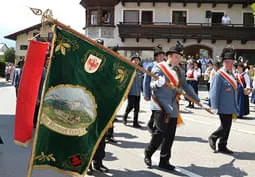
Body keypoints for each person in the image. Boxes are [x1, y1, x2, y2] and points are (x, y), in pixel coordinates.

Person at [144, 41, 203, 170]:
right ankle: (148, 152)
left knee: (170, 135)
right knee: (160, 133)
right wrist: (158, 83)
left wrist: (199, 101)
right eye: (176, 56)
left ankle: (164, 160)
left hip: (173, 106)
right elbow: (152, 85)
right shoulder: (159, 68)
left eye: (179, 57)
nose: (178, 59)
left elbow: (187, 87)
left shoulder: (180, 71)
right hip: (160, 105)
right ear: (169, 56)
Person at [208, 46, 238, 154]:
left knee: (227, 126)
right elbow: (214, 92)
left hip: (231, 105)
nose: (230, 64)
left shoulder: (232, 75)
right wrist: (214, 106)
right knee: (225, 126)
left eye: (232, 62)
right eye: (228, 62)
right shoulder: (219, 75)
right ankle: (213, 137)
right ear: (224, 63)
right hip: (222, 106)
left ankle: (222, 145)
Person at [143, 45, 165, 132]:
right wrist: (146, 94)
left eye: (163, 55)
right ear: (156, 57)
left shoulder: (166, 65)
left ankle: (153, 125)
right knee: (157, 110)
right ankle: (155, 127)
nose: (162, 57)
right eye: (159, 55)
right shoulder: (150, 66)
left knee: (160, 111)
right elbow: (146, 81)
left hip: (164, 92)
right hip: (155, 92)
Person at [123, 56, 143, 128]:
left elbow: (142, 82)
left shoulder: (141, 71)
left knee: (137, 108)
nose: (136, 61)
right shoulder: (128, 70)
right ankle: (125, 116)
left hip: (138, 92)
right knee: (130, 106)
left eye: (137, 60)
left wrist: (143, 91)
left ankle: (135, 122)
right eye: (134, 60)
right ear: (131, 61)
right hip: (131, 92)